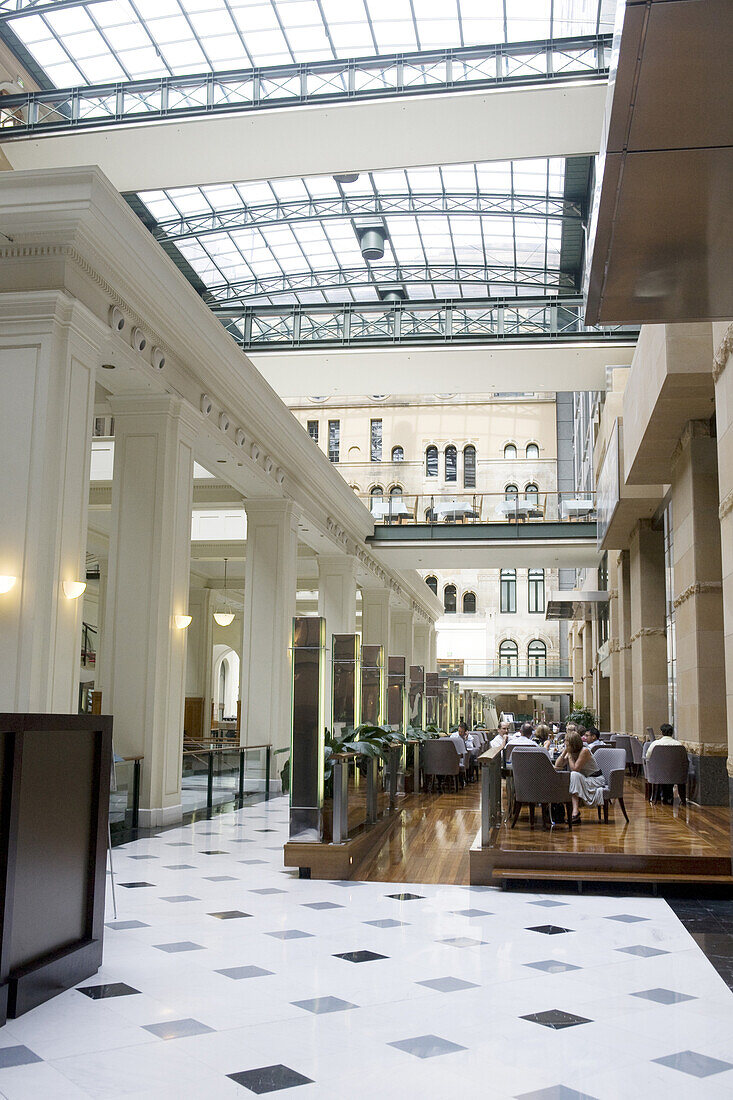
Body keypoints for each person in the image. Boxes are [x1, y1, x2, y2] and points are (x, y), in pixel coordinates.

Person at [554, 731, 605, 824]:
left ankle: (575, 811)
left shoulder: (584, 751)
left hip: (595, 779)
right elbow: (558, 765)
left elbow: (575, 769)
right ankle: (575, 812)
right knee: (574, 777)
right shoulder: (571, 751)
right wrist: (565, 751)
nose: (566, 745)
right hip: (584, 779)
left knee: (574, 775)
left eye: (567, 744)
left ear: (573, 744)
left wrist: (569, 755)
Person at [646, 723, 679, 804]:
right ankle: (669, 796)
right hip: (674, 773)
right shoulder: (678, 744)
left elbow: (648, 757)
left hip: (658, 773)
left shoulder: (655, 744)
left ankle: (658, 796)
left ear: (662, 732)